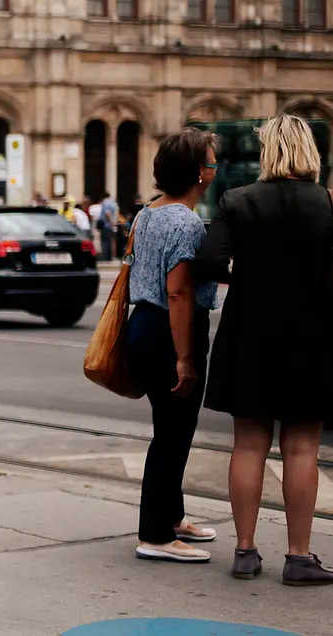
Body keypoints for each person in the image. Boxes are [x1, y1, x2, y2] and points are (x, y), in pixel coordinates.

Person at [194, 115, 333, 586]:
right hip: (311, 337)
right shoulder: (328, 204)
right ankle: (298, 557)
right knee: (302, 449)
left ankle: (246, 552)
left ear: (269, 152)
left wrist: (249, 277)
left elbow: (210, 260)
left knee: (249, 444)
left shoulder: (237, 200)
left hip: (249, 333)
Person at [121, 129, 220, 565]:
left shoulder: (148, 213)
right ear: (200, 172)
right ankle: (156, 535)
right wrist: (185, 357)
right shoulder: (185, 221)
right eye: (213, 162)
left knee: (171, 428)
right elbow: (178, 292)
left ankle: (172, 517)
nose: (216, 169)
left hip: (143, 324)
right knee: (172, 434)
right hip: (170, 330)